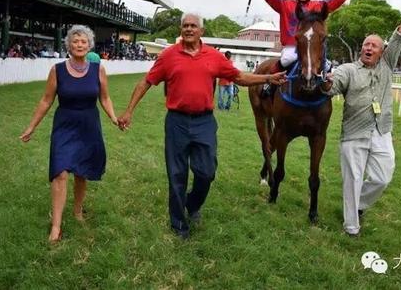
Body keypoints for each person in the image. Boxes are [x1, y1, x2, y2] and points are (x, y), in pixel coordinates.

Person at [117, 13, 287, 239]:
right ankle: (179, 224)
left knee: (206, 173)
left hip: (204, 122)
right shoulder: (168, 56)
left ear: (201, 31)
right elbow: (146, 82)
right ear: (181, 30)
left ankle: (192, 204)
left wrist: (267, 78)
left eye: (193, 26)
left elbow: (239, 77)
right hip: (176, 121)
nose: (188, 29)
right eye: (185, 25)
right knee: (177, 174)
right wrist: (129, 110)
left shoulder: (214, 56)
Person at [322, 0, 401, 236]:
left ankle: (359, 206)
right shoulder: (347, 69)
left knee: (383, 177)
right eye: (365, 44)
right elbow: (331, 87)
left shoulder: (388, 63)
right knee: (353, 180)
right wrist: (326, 82)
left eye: (374, 45)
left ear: (383, 51)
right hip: (354, 134)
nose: (368, 48)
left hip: (382, 131)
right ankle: (351, 227)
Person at [20, 25, 119, 243]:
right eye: (75, 41)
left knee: (81, 172)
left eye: (83, 41)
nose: (80, 45)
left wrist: (113, 117)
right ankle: (56, 226)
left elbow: (105, 98)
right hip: (65, 124)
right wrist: (31, 126)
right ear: (69, 45)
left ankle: (77, 211)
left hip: (89, 125)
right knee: (60, 171)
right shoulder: (57, 70)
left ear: (89, 45)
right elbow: (46, 100)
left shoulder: (98, 69)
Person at [255, 0, 363, 96]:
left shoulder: (319, 6)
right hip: (292, 47)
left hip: (313, 48)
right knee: (287, 59)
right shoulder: (284, 4)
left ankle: (328, 90)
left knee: (328, 65)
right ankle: (268, 84)